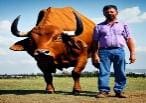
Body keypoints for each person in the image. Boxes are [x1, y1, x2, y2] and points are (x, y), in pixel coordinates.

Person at [92, 5, 136, 98]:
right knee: (103, 72)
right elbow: (95, 42)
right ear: (104, 13)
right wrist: (95, 55)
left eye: (111, 11)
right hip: (104, 52)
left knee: (120, 72)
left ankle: (119, 91)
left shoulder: (123, 24)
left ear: (116, 12)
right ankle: (103, 91)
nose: (109, 13)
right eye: (107, 12)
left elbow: (129, 39)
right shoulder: (99, 26)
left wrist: (132, 53)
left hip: (119, 51)